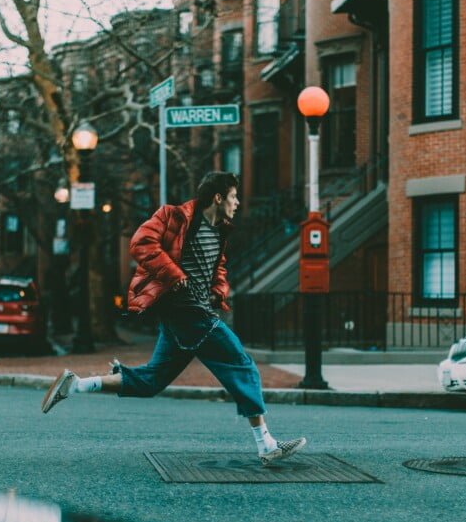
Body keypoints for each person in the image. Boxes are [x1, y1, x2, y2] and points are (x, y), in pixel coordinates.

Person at [41, 171, 306, 465]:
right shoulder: (174, 217)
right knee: (242, 366)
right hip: (191, 315)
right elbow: (141, 243)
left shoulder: (219, 230)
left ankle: (76, 384)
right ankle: (266, 444)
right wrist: (173, 273)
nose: (238, 202)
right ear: (218, 198)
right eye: (233, 196)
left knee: (151, 381)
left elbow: (216, 267)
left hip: (182, 319)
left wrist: (218, 289)